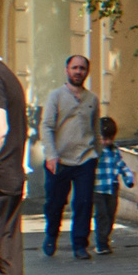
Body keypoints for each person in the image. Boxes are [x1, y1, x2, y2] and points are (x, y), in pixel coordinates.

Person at [38, 54, 99, 258]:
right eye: (74, 68)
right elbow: (46, 126)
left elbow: (95, 128)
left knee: (83, 202)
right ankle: (51, 235)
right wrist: (51, 155)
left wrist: (96, 154)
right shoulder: (56, 96)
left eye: (82, 68)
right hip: (60, 160)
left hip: (85, 159)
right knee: (54, 203)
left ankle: (80, 245)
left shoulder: (92, 99)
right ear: (67, 70)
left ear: (86, 72)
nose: (78, 72)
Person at [0, 49, 28, 275]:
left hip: (0, 179)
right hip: (10, 177)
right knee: (6, 253)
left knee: (4, 256)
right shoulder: (8, 75)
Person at [92, 118, 136, 256]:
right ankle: (101, 243)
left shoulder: (115, 151)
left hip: (112, 187)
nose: (106, 142)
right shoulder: (94, 152)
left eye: (109, 139)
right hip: (97, 188)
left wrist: (129, 178)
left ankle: (105, 239)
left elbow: (121, 165)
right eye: (103, 139)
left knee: (110, 214)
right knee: (102, 215)